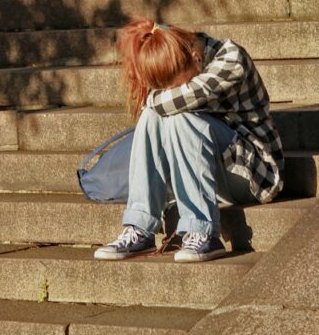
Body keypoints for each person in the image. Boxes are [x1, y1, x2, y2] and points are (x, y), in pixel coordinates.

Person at [94, 17, 284, 262]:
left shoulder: (230, 59)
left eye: (179, 84)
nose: (174, 90)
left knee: (177, 115)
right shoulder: (182, 59)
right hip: (212, 174)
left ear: (195, 54)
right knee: (157, 116)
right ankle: (140, 226)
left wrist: (152, 100)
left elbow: (169, 101)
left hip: (254, 174)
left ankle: (202, 232)